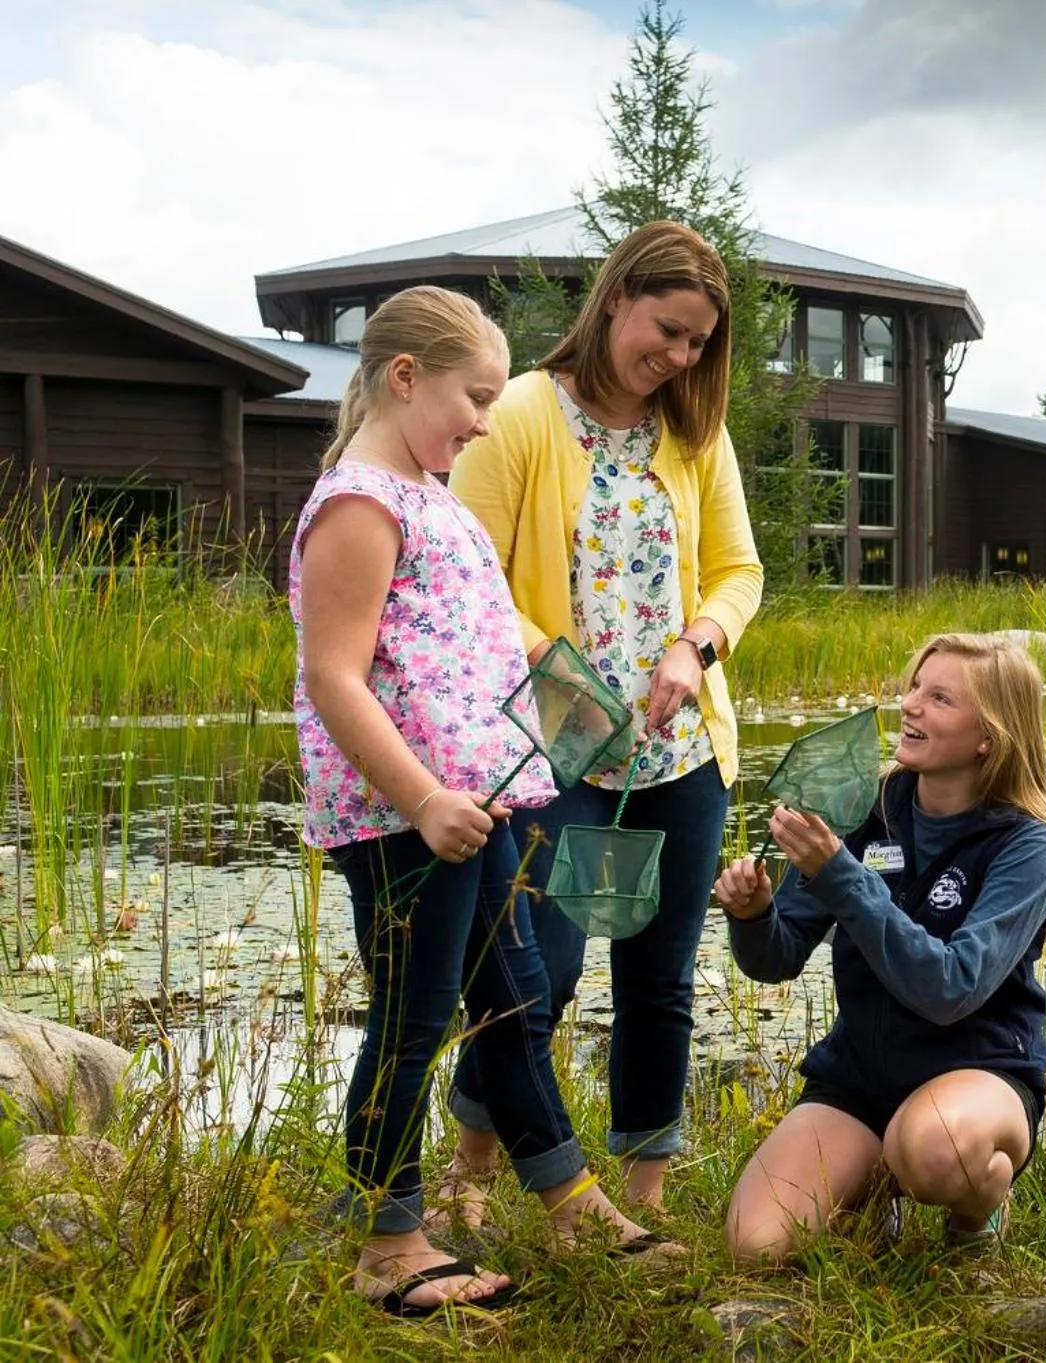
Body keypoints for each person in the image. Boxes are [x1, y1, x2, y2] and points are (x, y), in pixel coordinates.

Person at [292, 286, 671, 1319]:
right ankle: (387, 1237)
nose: (484, 423)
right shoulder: (360, 505)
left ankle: (571, 1202)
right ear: (404, 377)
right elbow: (334, 676)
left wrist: (574, 715)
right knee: (412, 1020)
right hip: (405, 819)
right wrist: (421, 800)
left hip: (481, 807)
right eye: (476, 397)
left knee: (515, 1002)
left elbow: (475, 652)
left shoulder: (432, 495)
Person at [441, 221, 764, 1218]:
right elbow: (469, 577)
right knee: (538, 970)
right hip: (558, 749)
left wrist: (695, 644)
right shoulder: (520, 415)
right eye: (667, 330)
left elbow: (739, 571)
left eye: (698, 342)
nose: (679, 356)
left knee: (659, 980)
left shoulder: (695, 434)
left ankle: (646, 1190)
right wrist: (562, 669)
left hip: (681, 755)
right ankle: (470, 1172)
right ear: (617, 297)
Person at [713, 634, 1046, 1264]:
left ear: (988, 736)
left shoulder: (1028, 845)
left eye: (940, 698)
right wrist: (753, 916)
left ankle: (976, 1216)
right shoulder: (866, 810)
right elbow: (777, 958)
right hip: (860, 1079)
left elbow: (951, 989)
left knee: (938, 1151)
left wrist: (842, 876)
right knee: (756, 1247)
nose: (910, 705)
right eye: (914, 688)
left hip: (976, 1072)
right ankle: (873, 1187)